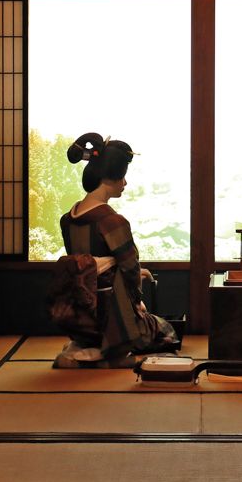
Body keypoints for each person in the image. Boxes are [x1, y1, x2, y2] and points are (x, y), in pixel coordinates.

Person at [54, 131, 180, 368]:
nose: (125, 183)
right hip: (112, 315)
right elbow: (130, 270)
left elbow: (85, 266)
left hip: (80, 315)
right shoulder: (112, 221)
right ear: (110, 177)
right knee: (166, 332)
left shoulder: (67, 220)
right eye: (123, 176)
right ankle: (110, 352)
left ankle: (85, 350)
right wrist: (137, 304)